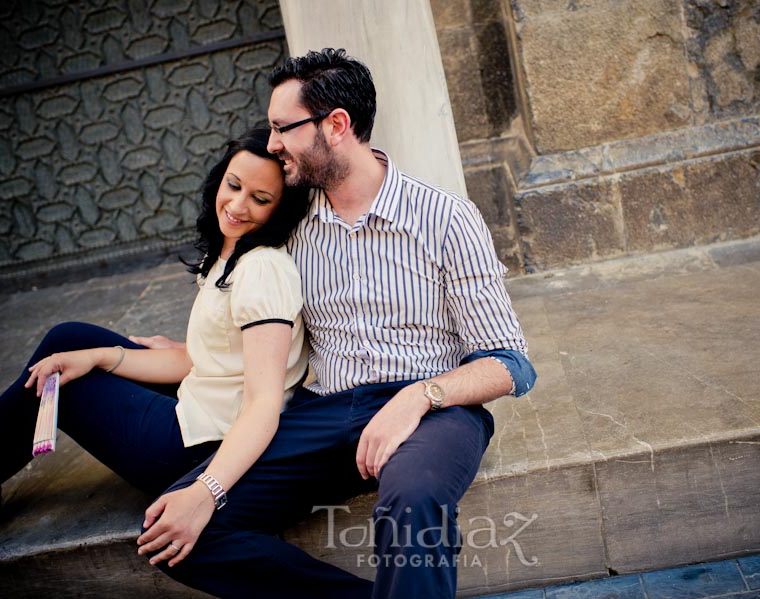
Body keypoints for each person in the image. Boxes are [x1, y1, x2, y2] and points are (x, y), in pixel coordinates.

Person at [137, 48, 537, 599]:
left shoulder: (445, 217)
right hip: (322, 411)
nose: (272, 143)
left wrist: (420, 397)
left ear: (336, 125)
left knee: (414, 501)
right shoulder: (292, 226)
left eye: (282, 128)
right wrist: (187, 353)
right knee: (176, 527)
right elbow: (252, 312)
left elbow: (512, 363)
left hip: (433, 412)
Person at [0, 128, 311, 566]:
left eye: (260, 199)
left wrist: (206, 489)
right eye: (233, 185)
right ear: (220, 178)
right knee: (71, 340)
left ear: (278, 209)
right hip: (200, 403)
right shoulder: (230, 256)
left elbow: (265, 403)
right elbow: (195, 359)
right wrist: (101, 356)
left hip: (195, 447)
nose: (237, 205)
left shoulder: (263, 268)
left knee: (66, 383)